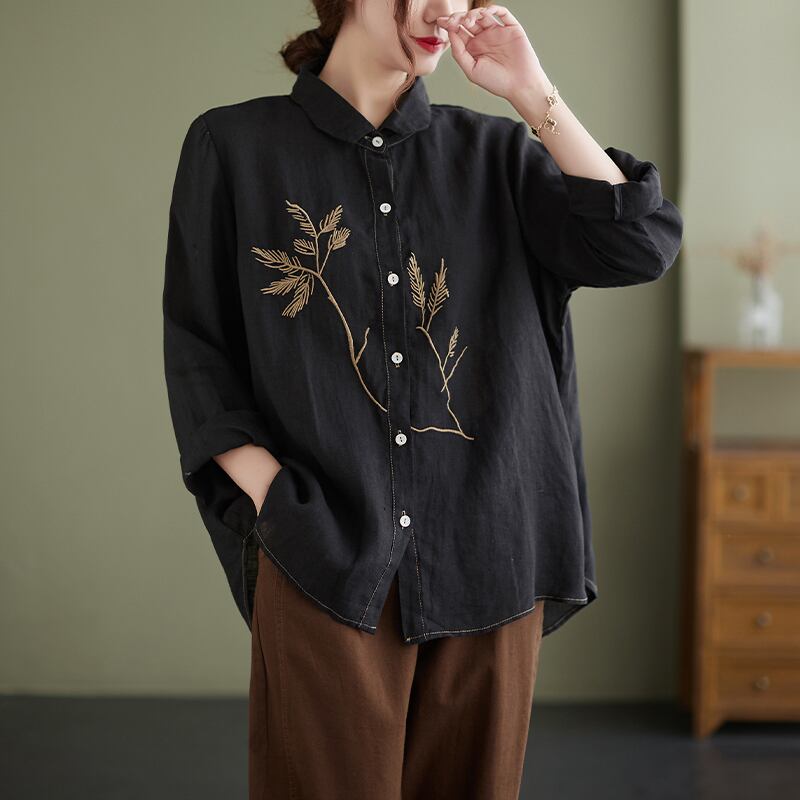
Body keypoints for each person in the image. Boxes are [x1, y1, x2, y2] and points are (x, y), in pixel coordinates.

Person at [162, 1, 683, 797]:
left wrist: (532, 91)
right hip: (323, 556)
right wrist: (279, 505)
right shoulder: (233, 146)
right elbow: (201, 354)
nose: (446, 8)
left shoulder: (499, 156)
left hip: (492, 558)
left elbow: (638, 245)